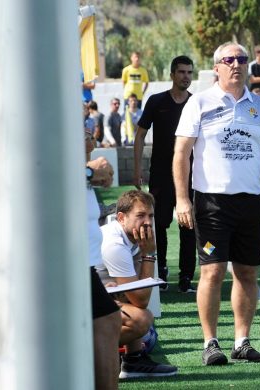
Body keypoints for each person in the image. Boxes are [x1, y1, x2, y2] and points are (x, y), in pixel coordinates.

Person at [173, 41, 260, 366]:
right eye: (229, 59)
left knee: (247, 272)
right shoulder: (199, 102)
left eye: (241, 59)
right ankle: (210, 343)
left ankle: (242, 341)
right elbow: (181, 153)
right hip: (212, 203)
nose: (236, 64)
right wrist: (182, 198)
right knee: (212, 272)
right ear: (217, 67)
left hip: (251, 202)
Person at [97, 190, 178, 378]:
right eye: (140, 216)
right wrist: (148, 255)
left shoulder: (130, 236)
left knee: (147, 332)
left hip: (92, 298)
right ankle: (82, 352)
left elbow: (135, 289)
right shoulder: (114, 245)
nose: (148, 222)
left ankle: (133, 361)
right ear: (121, 217)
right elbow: (141, 299)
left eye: (150, 215)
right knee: (141, 320)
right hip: (74, 306)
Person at [133, 55, 197, 293]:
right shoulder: (156, 101)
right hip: (160, 174)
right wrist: (138, 168)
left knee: (189, 226)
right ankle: (159, 275)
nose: (186, 77)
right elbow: (140, 135)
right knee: (158, 225)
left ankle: (186, 279)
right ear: (172, 74)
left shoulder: (196, 103)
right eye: (181, 72)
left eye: (189, 73)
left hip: (190, 176)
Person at [84, 128, 121, 390]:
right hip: (60, 260)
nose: (90, 135)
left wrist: (90, 173)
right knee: (108, 320)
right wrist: (88, 172)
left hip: (79, 263)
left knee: (108, 319)